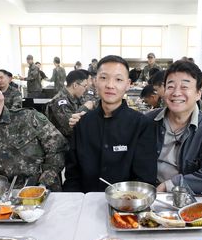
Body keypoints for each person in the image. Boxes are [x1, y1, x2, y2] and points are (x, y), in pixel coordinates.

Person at [0, 73, 67, 191]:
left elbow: (58, 149)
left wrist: (43, 183)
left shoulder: (29, 118)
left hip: (43, 194)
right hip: (0, 203)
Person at [63, 55, 157, 192]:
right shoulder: (83, 124)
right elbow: (72, 177)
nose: (110, 85)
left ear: (128, 84)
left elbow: (144, 179)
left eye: (118, 79)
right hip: (85, 203)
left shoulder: (142, 125)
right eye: (103, 78)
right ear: (95, 81)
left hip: (126, 206)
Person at [147, 60, 202, 194]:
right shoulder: (148, 121)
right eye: (171, 86)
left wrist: (171, 185)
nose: (176, 93)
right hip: (148, 194)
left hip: (188, 199)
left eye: (184, 87)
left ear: (198, 93)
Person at [46, 70, 94, 137]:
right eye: (84, 86)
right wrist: (85, 107)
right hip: (63, 142)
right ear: (75, 85)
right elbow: (70, 126)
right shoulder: (60, 101)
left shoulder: (73, 97)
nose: (86, 89)